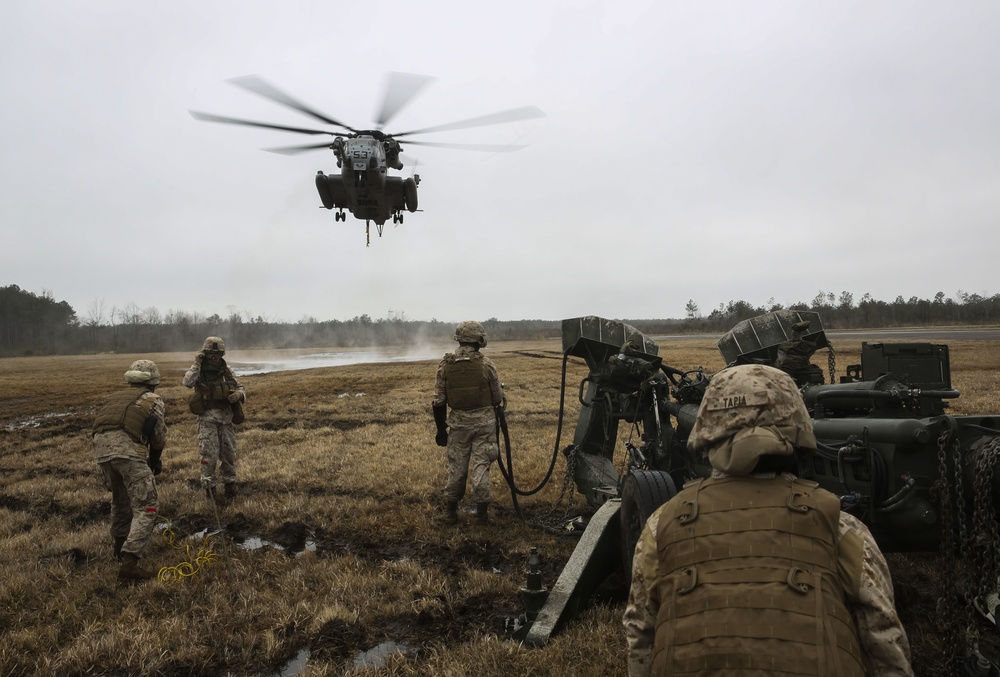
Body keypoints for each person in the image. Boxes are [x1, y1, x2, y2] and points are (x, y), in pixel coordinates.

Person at [624, 364, 913, 676]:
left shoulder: (661, 524)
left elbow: (641, 631)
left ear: (708, 433)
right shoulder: (840, 526)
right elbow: (883, 636)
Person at [91, 359, 167, 581]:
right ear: (154, 381)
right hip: (128, 453)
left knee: (120, 500)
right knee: (147, 506)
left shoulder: (115, 398)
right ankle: (130, 564)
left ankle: (118, 549)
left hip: (102, 452)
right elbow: (159, 438)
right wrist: (155, 461)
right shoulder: (153, 400)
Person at [432, 321, 504, 525]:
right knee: (481, 467)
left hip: (458, 426)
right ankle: (482, 515)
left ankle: (450, 513)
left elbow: (438, 401)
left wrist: (440, 430)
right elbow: (497, 398)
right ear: (479, 340)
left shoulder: (445, 365)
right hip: (484, 426)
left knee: (457, 469)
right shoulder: (486, 364)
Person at [182, 336, 246, 502]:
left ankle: (230, 487)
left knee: (229, 454)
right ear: (205, 353)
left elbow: (241, 387)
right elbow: (187, 382)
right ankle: (210, 491)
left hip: (226, 419)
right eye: (210, 353)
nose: (214, 357)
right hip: (208, 420)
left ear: (222, 354)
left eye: (217, 354)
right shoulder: (199, 370)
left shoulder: (227, 370)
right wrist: (196, 364)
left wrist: (239, 395)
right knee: (208, 455)